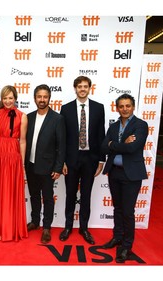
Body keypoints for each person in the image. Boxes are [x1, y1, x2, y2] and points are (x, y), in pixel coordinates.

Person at [100, 93, 148, 263]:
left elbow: (133, 148)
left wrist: (114, 145)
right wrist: (117, 144)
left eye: (128, 106)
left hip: (131, 174)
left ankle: (127, 246)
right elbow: (104, 147)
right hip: (115, 172)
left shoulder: (141, 125)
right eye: (121, 106)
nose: (125, 109)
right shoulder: (113, 127)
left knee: (128, 211)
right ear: (117, 108)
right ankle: (117, 237)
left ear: (133, 107)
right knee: (118, 209)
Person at [59, 76, 105, 245]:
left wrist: (101, 160)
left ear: (90, 88)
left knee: (86, 194)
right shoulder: (66, 109)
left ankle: (84, 228)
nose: (83, 89)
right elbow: (62, 138)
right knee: (70, 194)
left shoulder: (99, 108)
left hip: (90, 159)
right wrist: (62, 161)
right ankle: (68, 227)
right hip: (71, 159)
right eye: (80, 86)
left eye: (85, 86)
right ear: (75, 88)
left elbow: (101, 134)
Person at [0, 85, 28, 242]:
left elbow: (22, 141)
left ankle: (8, 228)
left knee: (9, 192)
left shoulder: (22, 116)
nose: (8, 101)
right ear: (1, 99)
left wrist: (21, 164)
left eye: (11, 98)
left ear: (15, 98)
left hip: (13, 156)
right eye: (5, 98)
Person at [25, 84, 66, 244]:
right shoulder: (29, 117)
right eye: (39, 97)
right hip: (30, 165)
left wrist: (58, 167)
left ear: (49, 98)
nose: (42, 100)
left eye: (45, 97)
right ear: (35, 98)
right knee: (34, 195)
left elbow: (61, 146)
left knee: (47, 197)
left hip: (48, 168)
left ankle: (47, 227)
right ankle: (35, 221)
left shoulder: (57, 119)